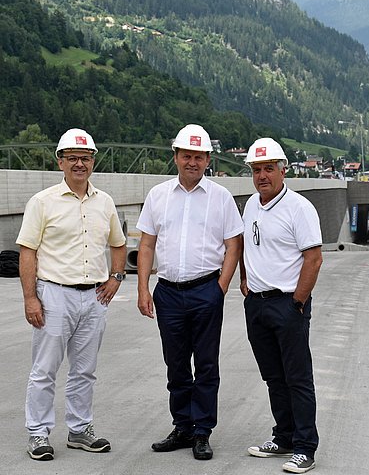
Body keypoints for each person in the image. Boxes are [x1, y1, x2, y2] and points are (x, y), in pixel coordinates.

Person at [16, 128, 127, 461]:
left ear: (93, 161)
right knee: (45, 369)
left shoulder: (104, 202)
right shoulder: (42, 202)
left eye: (86, 158)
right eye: (73, 158)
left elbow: (118, 244)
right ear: (60, 162)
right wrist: (31, 298)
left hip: (93, 298)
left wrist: (116, 277)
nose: (80, 164)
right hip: (53, 295)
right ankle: (38, 433)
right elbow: (27, 252)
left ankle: (79, 430)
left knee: (84, 370)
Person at [136, 124, 243, 460]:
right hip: (167, 293)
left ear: (208, 159)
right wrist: (143, 288)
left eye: (199, 156)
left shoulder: (221, 198)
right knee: (176, 364)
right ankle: (182, 426)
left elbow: (233, 245)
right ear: (176, 157)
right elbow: (147, 244)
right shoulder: (157, 196)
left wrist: (220, 289)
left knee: (207, 365)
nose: (192, 162)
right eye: (187, 156)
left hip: (205, 291)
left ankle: (201, 431)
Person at [240, 138, 323, 474]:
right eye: (257, 169)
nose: (262, 175)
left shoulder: (299, 208)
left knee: (297, 378)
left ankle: (305, 447)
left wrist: (298, 303)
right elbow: (246, 245)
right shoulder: (250, 206)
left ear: (283, 170)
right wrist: (245, 281)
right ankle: (284, 436)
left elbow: (313, 259)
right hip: (257, 305)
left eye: (269, 168)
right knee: (274, 377)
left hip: (288, 303)